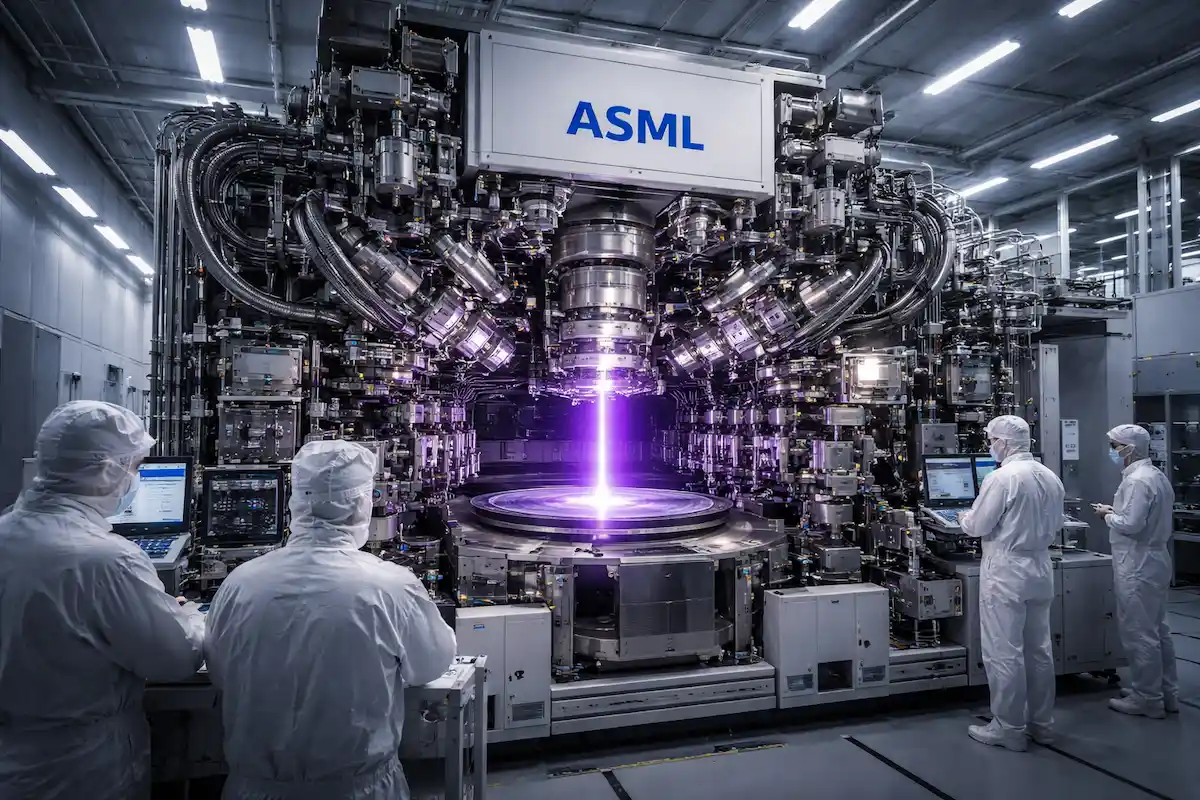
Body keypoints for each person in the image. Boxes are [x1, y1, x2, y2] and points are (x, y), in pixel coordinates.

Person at [205, 439, 457, 800]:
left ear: (294, 502)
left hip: (254, 789)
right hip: (358, 791)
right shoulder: (390, 586)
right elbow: (432, 663)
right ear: (361, 504)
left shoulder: (241, 583)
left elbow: (218, 671)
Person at [0, 401, 206, 799]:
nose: (136, 478)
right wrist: (190, 620)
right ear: (108, 470)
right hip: (78, 769)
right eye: (135, 467)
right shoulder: (108, 561)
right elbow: (176, 659)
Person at [960, 415, 1064, 752]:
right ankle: (1042, 724)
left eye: (992, 440)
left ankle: (1009, 728)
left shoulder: (1001, 478)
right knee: (1039, 650)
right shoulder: (1050, 476)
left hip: (1006, 569)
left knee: (1004, 650)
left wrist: (963, 518)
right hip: (1040, 567)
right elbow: (1057, 522)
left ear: (1003, 442)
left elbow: (978, 525)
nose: (990, 445)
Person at [1093, 424, 1178, 718]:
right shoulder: (1156, 476)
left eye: (1114, 446)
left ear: (1129, 449)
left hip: (1137, 562)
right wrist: (1115, 512)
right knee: (1158, 630)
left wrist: (1106, 515)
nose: (1112, 451)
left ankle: (1147, 698)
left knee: (1139, 632)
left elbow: (1130, 524)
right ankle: (1166, 692)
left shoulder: (1137, 481)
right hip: (1155, 559)